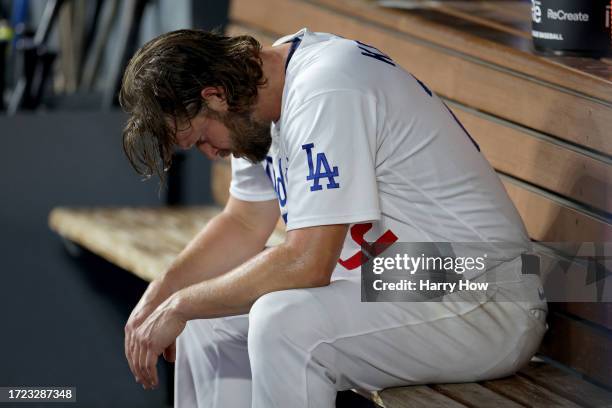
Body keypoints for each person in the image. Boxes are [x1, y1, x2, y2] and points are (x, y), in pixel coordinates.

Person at [119, 28, 548, 408]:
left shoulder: (324, 88)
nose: (211, 154)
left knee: (281, 323)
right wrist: (163, 295)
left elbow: (309, 263)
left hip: (483, 291)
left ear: (215, 95)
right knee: (205, 321)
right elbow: (245, 222)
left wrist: (182, 304)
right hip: (400, 281)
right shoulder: (253, 102)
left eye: (201, 139)